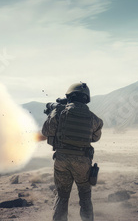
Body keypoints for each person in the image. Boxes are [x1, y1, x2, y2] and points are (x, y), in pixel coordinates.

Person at [42, 82, 103, 221]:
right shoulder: (94, 118)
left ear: (69, 96)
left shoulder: (59, 112)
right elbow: (95, 138)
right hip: (83, 161)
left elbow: (46, 131)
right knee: (85, 196)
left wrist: (53, 113)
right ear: (86, 98)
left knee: (62, 196)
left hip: (62, 160)